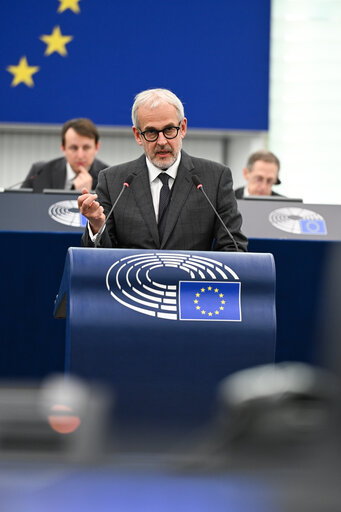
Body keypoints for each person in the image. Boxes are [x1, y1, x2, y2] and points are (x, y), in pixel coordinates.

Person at [78, 88, 248, 252]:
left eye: (169, 130)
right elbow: (97, 259)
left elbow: (233, 247)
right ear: (138, 135)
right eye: (151, 132)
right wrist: (96, 225)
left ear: (182, 128)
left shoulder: (215, 178)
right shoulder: (113, 181)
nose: (161, 141)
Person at [21, 118, 108, 193]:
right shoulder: (39, 172)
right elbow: (20, 206)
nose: (80, 155)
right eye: (74, 148)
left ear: (96, 147)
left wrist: (86, 196)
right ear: (63, 148)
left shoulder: (108, 178)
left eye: (86, 148)